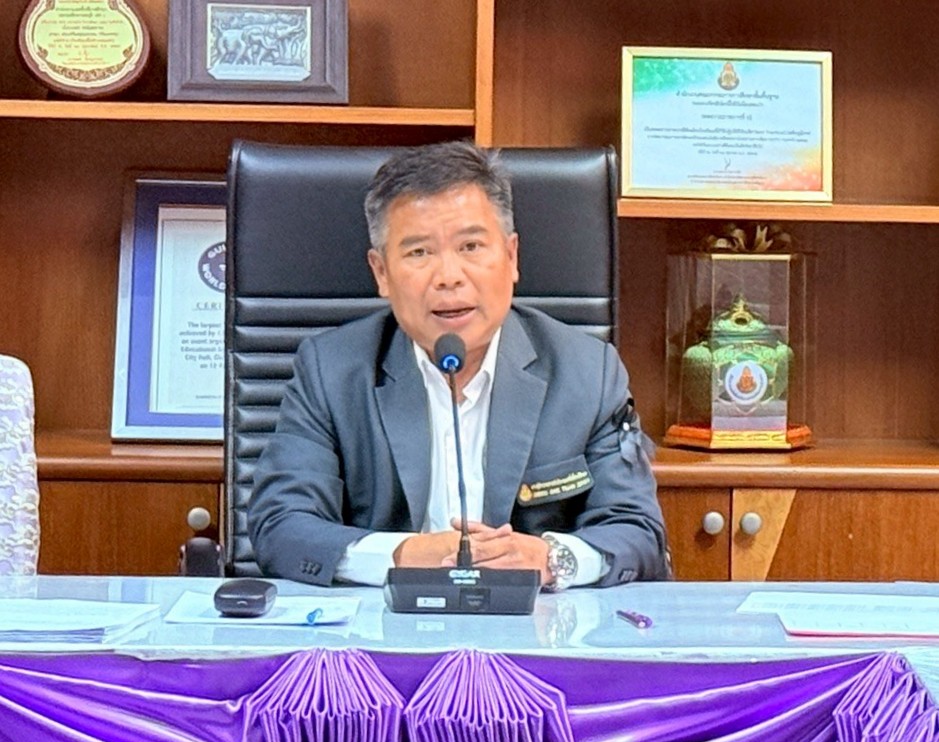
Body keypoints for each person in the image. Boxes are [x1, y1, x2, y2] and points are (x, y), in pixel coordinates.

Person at [247, 140, 671, 590]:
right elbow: (281, 525)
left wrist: (550, 559)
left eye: (471, 246)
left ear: (511, 257)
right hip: (386, 624)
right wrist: (403, 555)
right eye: (419, 253)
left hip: (536, 623)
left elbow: (638, 533)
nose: (449, 277)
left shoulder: (587, 372)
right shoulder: (330, 371)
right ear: (381, 273)